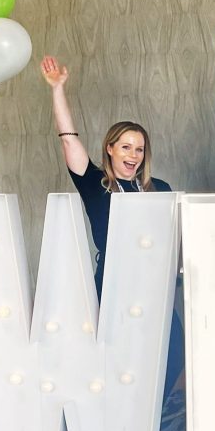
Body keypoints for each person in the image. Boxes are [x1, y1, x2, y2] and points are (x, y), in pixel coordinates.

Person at [39, 56, 182, 398]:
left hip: (152, 284)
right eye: (126, 147)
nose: (133, 155)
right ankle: (114, 417)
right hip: (114, 282)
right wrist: (58, 89)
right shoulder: (96, 183)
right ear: (110, 149)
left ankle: (145, 413)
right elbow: (69, 141)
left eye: (139, 149)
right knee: (114, 356)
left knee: (171, 353)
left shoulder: (157, 188)